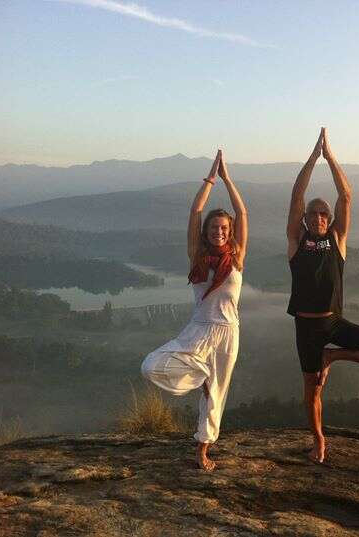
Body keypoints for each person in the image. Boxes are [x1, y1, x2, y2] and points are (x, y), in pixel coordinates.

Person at [287, 128, 359, 464]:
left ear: (329, 219)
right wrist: (311, 157)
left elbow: (346, 196)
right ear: (305, 220)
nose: (318, 217)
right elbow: (296, 196)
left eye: (324, 214)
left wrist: (330, 158)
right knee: (313, 389)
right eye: (313, 214)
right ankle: (319, 440)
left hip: (334, 324)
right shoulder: (296, 241)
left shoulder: (337, 240)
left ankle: (332, 358)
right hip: (306, 328)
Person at [141, 149, 247, 471]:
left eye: (224, 229)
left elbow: (242, 214)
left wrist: (229, 181)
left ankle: (202, 448)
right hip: (199, 328)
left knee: (216, 395)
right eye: (214, 228)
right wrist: (211, 180)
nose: (220, 232)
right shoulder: (197, 256)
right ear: (206, 232)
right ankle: (198, 373)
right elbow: (195, 211)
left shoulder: (237, 256)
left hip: (229, 332)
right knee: (152, 365)